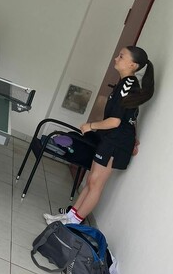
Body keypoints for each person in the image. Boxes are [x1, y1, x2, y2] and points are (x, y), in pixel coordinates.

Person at [43, 46, 155, 225]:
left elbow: (115, 121)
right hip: (110, 139)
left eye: (121, 56)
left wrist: (90, 126)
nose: (116, 58)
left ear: (133, 65)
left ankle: (73, 223)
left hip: (116, 143)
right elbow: (131, 115)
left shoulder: (128, 85)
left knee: (96, 183)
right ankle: (69, 217)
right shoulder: (124, 84)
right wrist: (134, 137)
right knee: (91, 180)